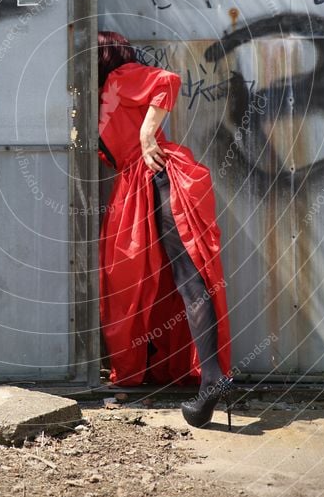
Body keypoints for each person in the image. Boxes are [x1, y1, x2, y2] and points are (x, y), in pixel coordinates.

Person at [98, 30, 234, 429]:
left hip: (160, 180)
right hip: (137, 187)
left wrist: (145, 132)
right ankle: (188, 372)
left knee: (189, 279)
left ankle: (213, 379)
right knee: (144, 282)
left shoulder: (120, 77)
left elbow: (168, 81)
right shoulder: (102, 94)